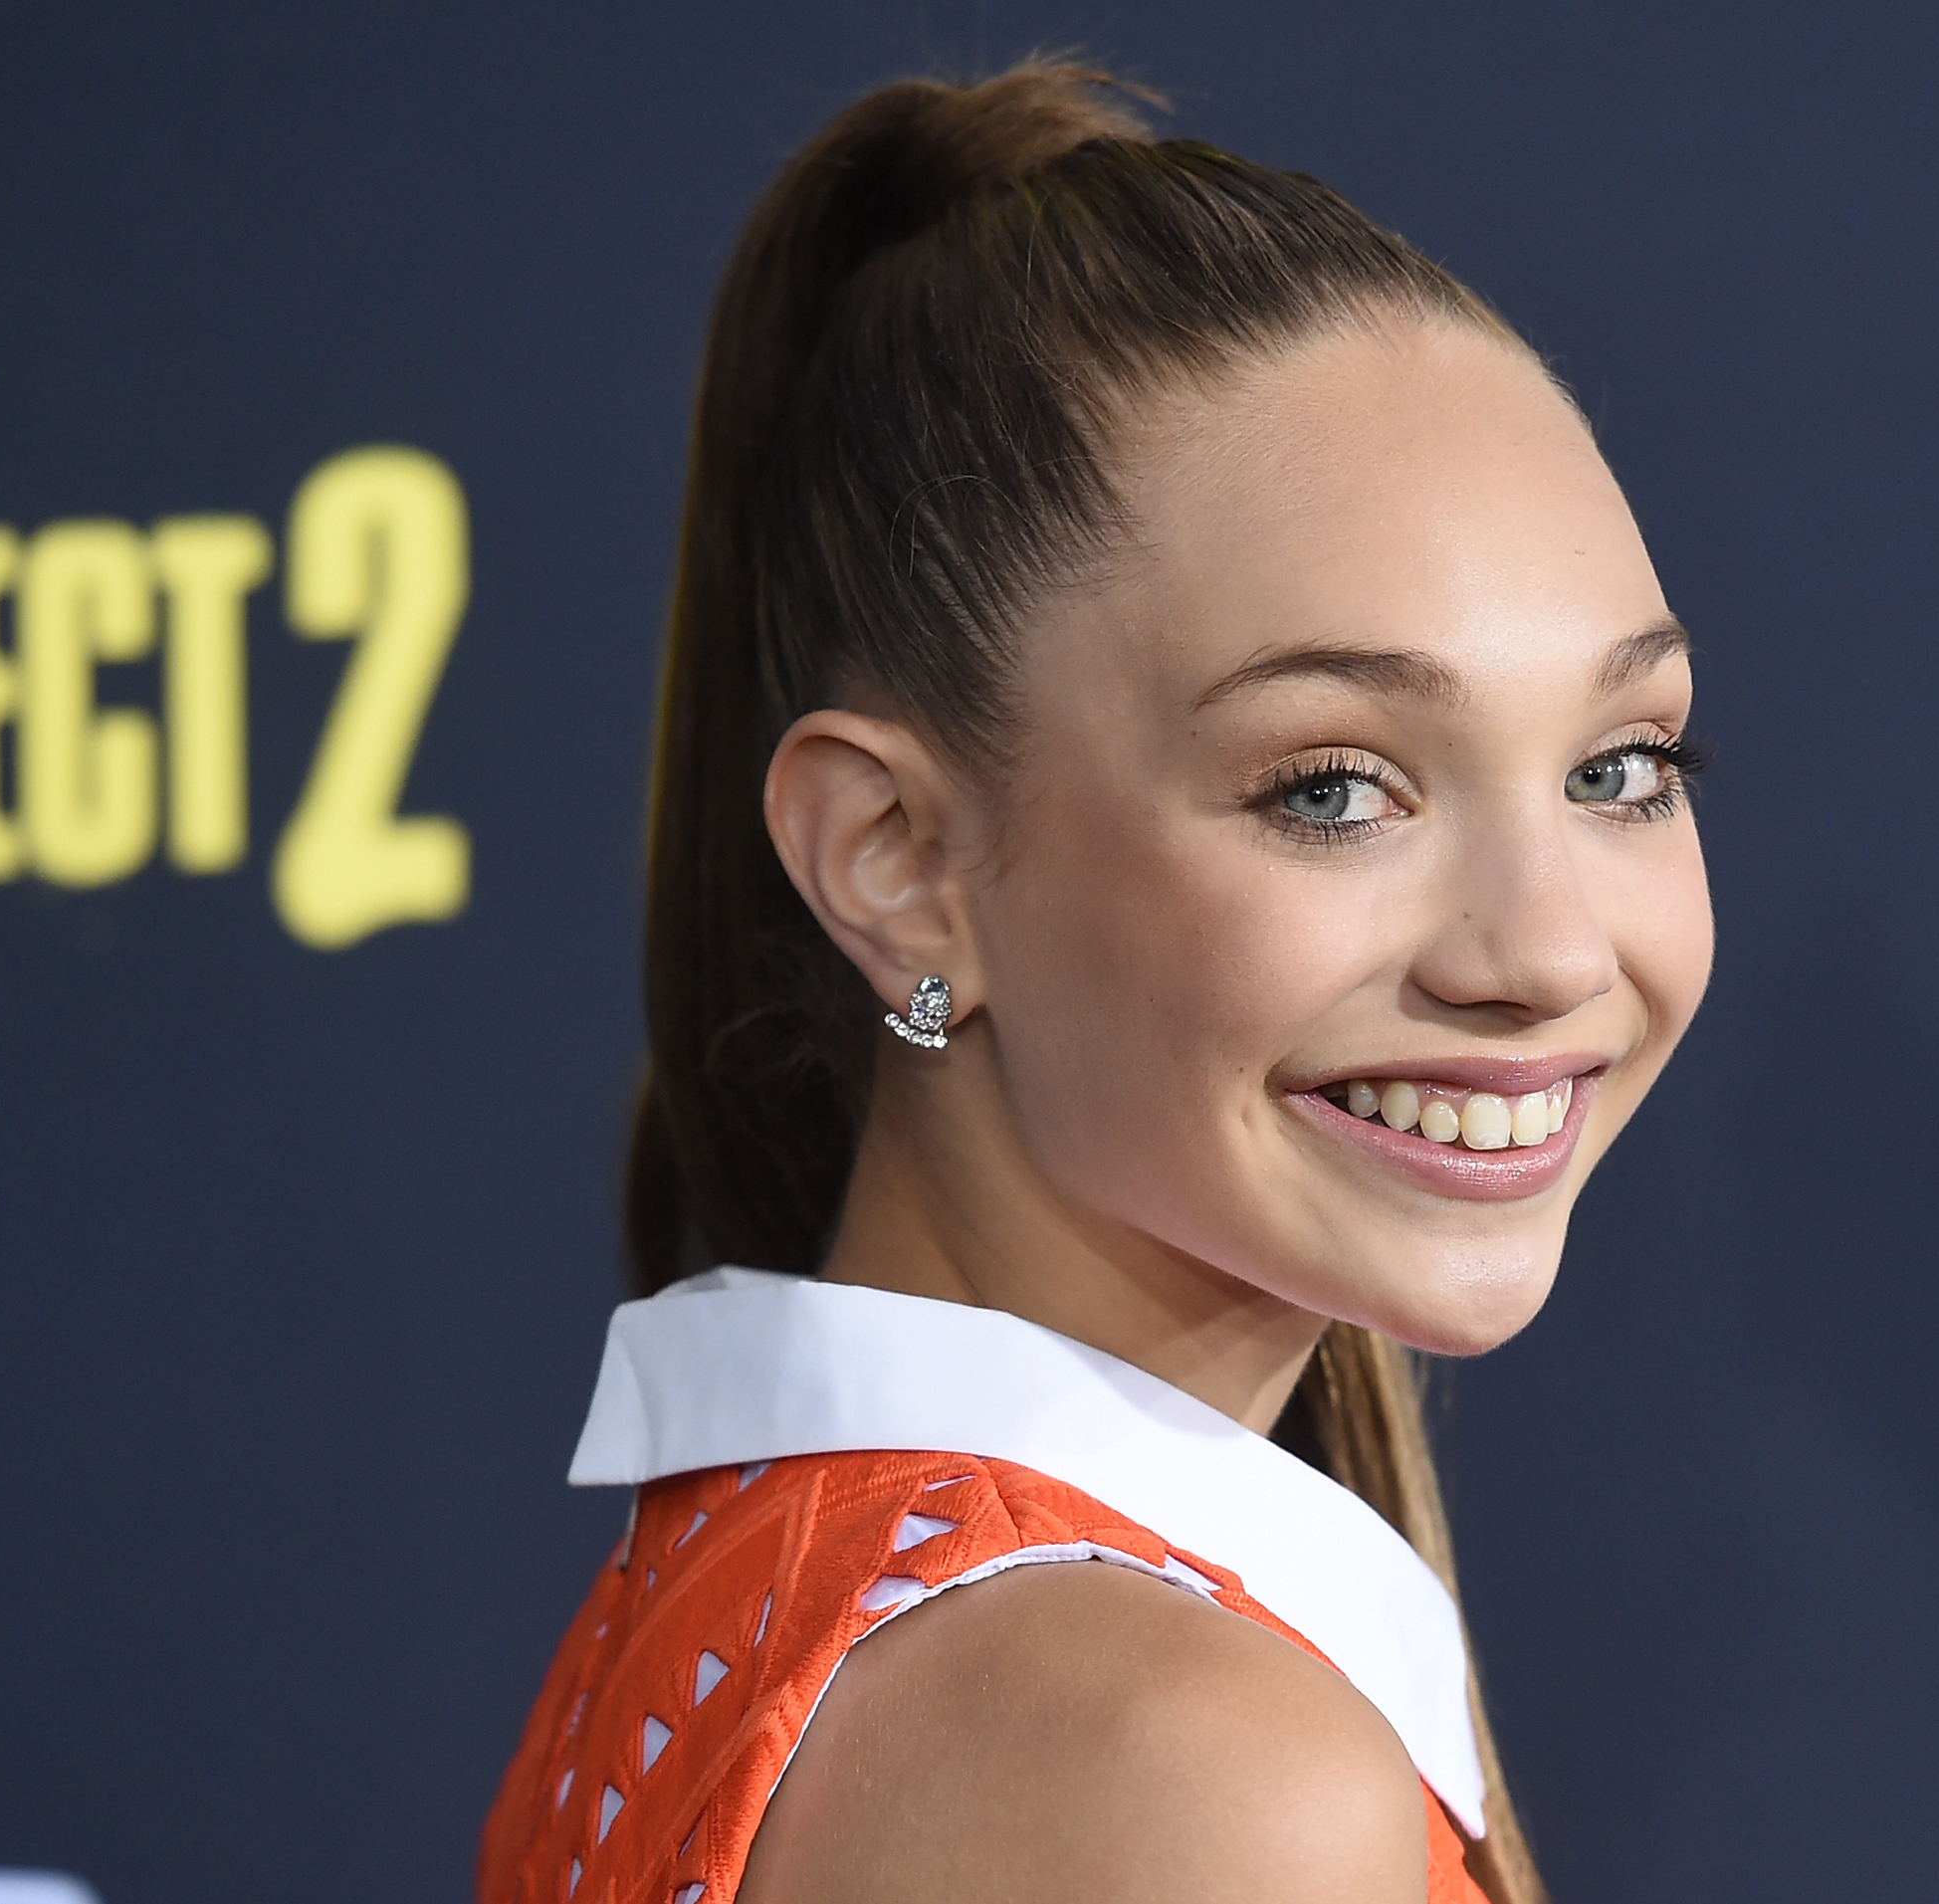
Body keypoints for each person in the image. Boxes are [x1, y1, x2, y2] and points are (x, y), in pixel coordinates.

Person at [479, 59, 1711, 1904]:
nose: (1547, 952)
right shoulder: (1182, 1770)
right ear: (897, 861)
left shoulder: (751, 1577)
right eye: (1332, 789)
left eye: (1620, 765)